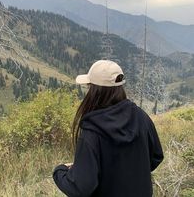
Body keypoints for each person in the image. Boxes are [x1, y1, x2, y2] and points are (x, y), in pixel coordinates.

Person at [53, 60, 164, 197]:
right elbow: (156, 156)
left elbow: (80, 188)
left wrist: (60, 171)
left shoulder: (91, 131)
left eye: (89, 87)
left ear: (95, 91)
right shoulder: (141, 117)